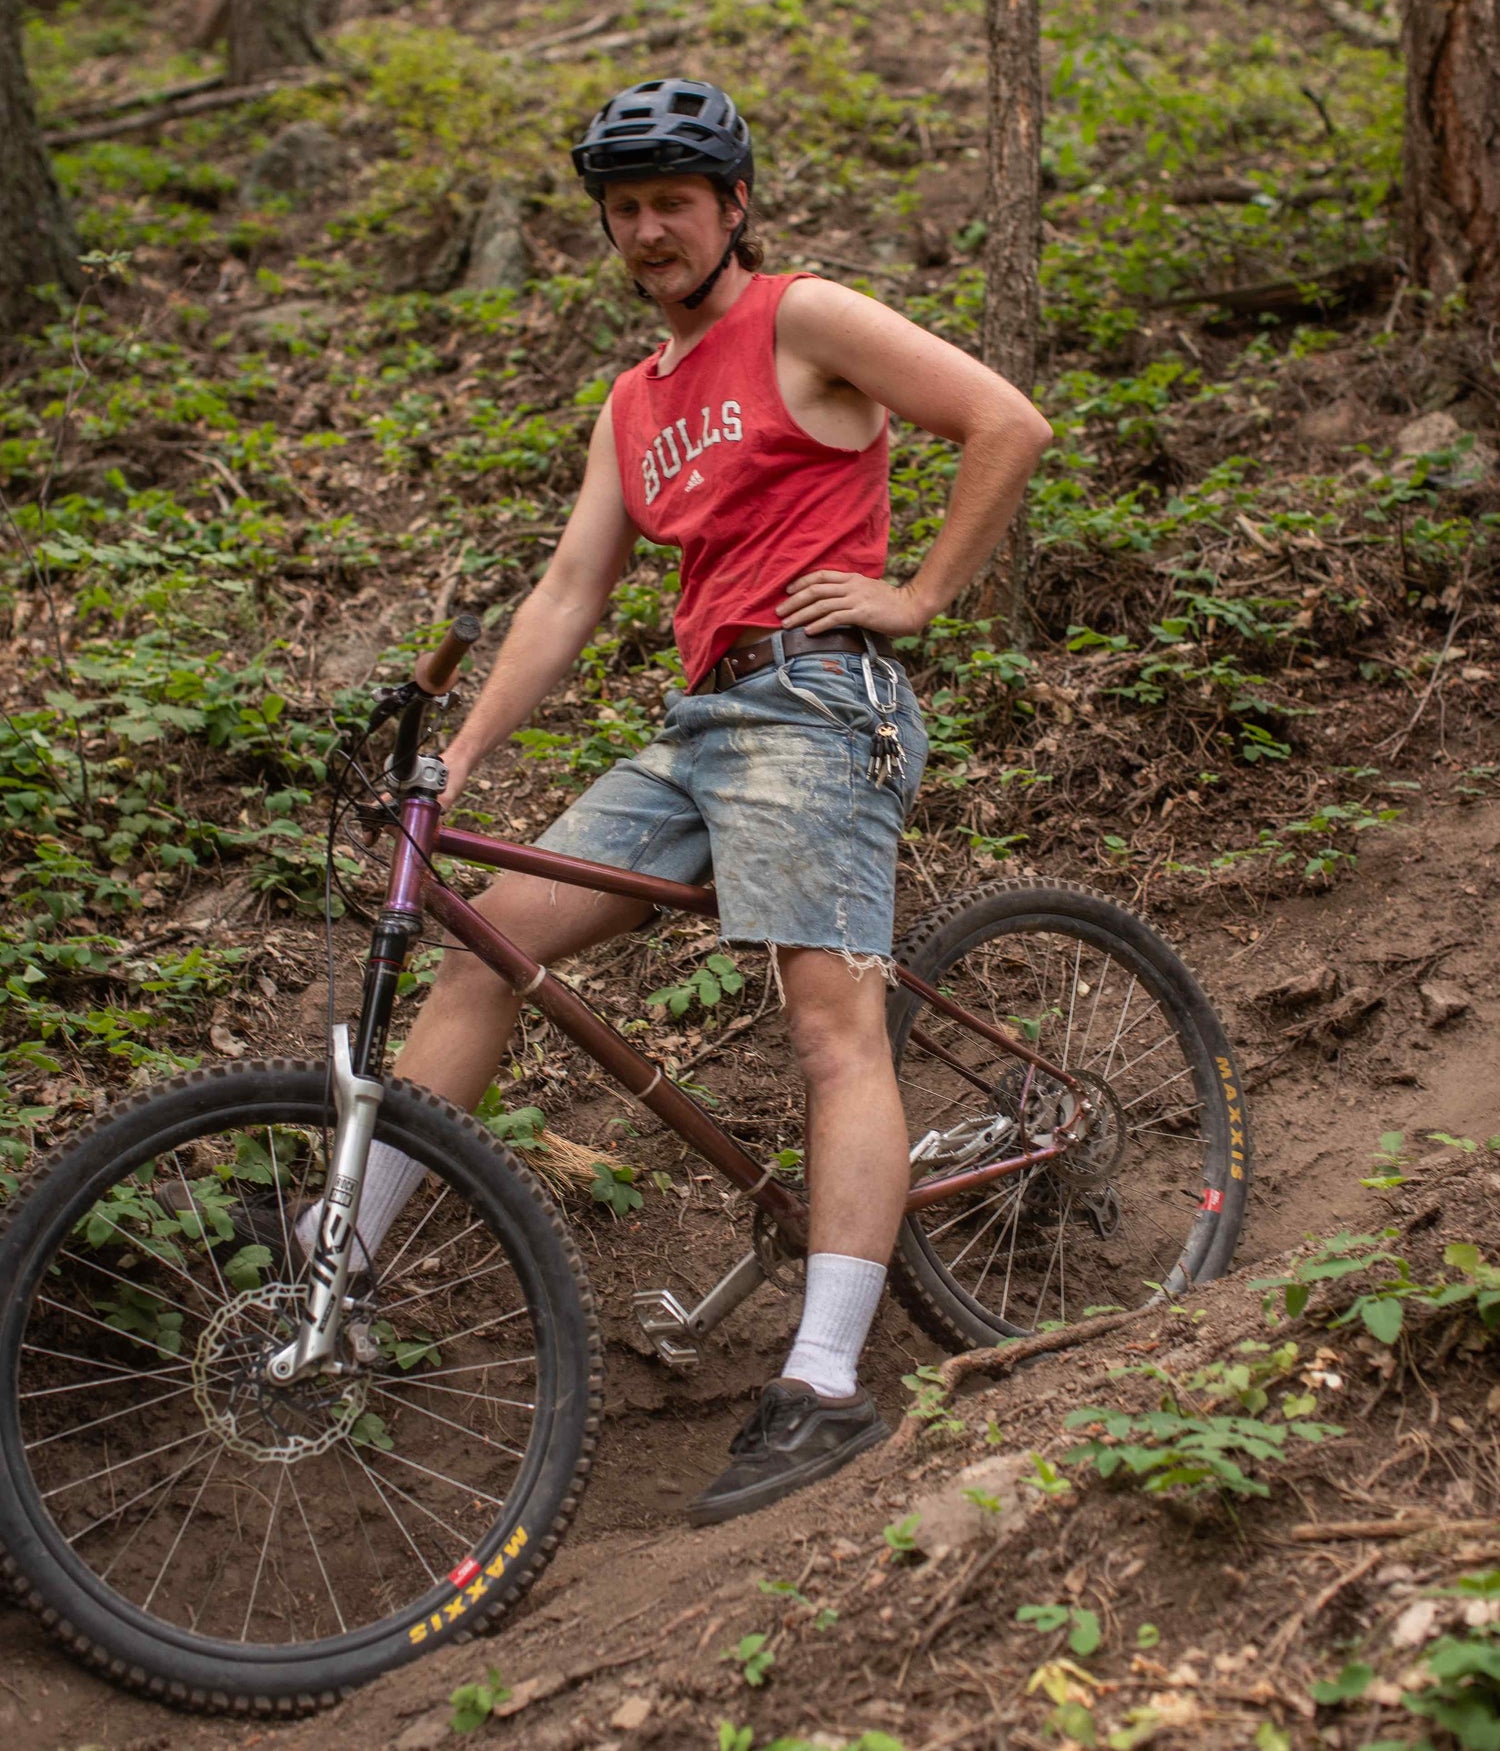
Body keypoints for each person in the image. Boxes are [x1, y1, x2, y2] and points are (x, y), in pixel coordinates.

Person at [350, 77, 1052, 1524]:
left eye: (676, 201)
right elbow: (569, 593)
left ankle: (826, 1384)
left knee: (828, 1021)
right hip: (700, 725)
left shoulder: (802, 318)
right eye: (626, 211)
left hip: (813, 699)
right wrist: (466, 753)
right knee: (494, 939)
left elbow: (1006, 422)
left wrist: (918, 594)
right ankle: (335, 1258)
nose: (651, 230)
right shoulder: (636, 400)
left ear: (733, 206)